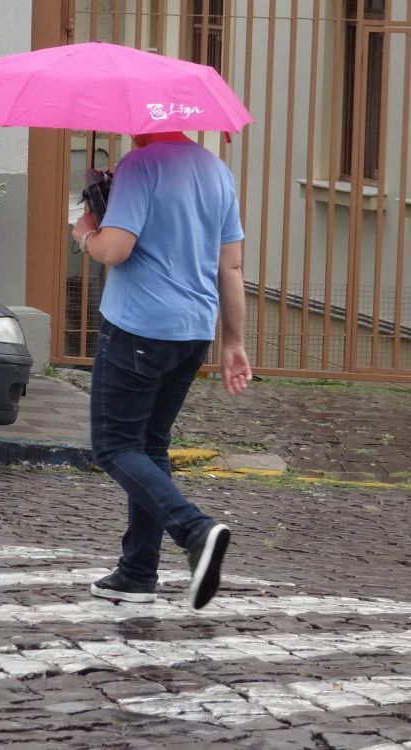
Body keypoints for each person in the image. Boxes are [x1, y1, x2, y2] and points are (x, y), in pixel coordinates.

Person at [70, 130, 252, 610]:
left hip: (138, 326)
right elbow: (230, 268)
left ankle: (195, 530)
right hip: (193, 332)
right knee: (150, 447)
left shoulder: (140, 165)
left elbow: (116, 249)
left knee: (114, 447)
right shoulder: (217, 171)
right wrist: (233, 341)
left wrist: (86, 232)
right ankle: (137, 572)